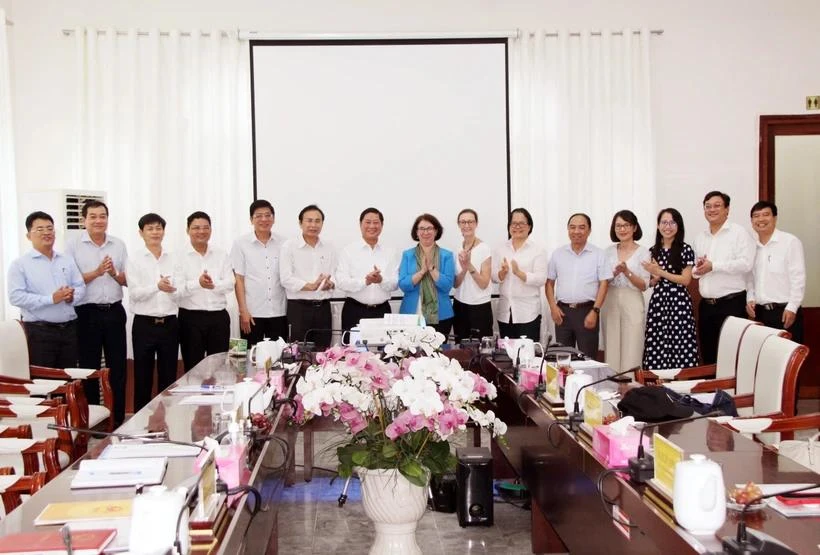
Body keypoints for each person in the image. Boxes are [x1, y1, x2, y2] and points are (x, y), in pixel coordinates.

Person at [66, 200, 128, 426]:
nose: (98, 220)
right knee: (89, 369)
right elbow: (70, 282)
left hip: (114, 311)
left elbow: (126, 280)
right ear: (84, 220)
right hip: (86, 313)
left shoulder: (118, 245)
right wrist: (97, 271)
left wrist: (112, 273)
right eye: (93, 216)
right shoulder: (73, 245)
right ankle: (91, 421)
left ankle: (118, 420)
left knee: (117, 368)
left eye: (102, 216)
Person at [8, 211, 86, 369]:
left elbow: (80, 286)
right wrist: (51, 299)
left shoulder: (66, 260)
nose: (46, 233)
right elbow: (16, 297)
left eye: (50, 228)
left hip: (69, 330)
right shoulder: (20, 264)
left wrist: (72, 297)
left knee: (68, 381)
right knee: (42, 383)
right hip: (40, 332)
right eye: (40, 229)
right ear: (28, 236)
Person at [692, 191, 755, 364]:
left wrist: (715, 266)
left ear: (727, 209)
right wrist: (698, 269)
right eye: (708, 206)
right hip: (706, 306)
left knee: (732, 357)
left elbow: (746, 264)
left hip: (731, 305)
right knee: (709, 356)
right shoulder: (700, 237)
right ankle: (713, 391)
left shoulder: (739, 233)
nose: (712, 209)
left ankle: (731, 392)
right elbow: (695, 272)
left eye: (717, 205)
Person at [126, 213, 182, 412]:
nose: (155, 232)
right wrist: (157, 287)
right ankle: (140, 426)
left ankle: (167, 422)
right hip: (144, 324)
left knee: (168, 377)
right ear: (141, 233)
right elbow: (134, 293)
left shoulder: (174, 258)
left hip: (170, 324)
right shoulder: (133, 259)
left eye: (158, 228)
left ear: (164, 231)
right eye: (150, 229)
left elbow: (180, 289)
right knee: (142, 376)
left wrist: (174, 290)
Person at [546, 213, 611, 359]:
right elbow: (549, 283)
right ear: (568, 229)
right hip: (562, 313)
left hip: (587, 312)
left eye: (582, 227)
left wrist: (595, 310)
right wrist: (553, 307)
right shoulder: (558, 254)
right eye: (572, 227)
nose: (576, 231)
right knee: (562, 359)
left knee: (588, 359)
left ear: (589, 230)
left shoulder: (598, 254)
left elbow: (604, 284)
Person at [641, 208, 699, 370]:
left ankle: (681, 387)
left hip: (679, 303)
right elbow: (651, 282)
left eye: (672, 222)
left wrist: (660, 272)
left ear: (678, 226)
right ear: (658, 226)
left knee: (681, 343)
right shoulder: (652, 251)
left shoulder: (685, 249)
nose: (668, 226)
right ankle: (660, 386)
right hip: (659, 303)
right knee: (658, 342)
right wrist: (655, 278)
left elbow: (685, 280)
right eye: (664, 222)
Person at [178, 211, 235, 371]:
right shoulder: (179, 256)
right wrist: (198, 283)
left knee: (219, 367)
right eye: (196, 228)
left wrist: (212, 285)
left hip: (218, 318)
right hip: (190, 319)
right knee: (192, 367)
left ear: (211, 229)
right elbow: (177, 289)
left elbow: (230, 283)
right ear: (187, 230)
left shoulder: (221, 253)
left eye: (205, 227)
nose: (201, 231)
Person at [745, 200, 805, 343]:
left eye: (766, 215)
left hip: (784, 312)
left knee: (787, 360)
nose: (761, 219)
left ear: (775, 218)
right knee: (764, 359)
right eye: (756, 216)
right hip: (760, 314)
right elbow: (750, 279)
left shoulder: (790, 242)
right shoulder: (752, 247)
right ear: (752, 221)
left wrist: (792, 307)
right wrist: (750, 299)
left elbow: (798, 278)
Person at [230, 200, 288, 346]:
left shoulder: (284, 243)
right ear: (251, 220)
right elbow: (239, 279)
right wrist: (243, 311)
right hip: (252, 313)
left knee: (278, 358)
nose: (264, 219)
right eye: (259, 216)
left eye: (268, 215)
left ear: (273, 218)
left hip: (279, 311)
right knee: (250, 356)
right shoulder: (240, 243)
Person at [280, 204, 337, 348]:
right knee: (298, 353)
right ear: (300, 223)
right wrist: (310, 286)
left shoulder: (329, 246)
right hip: (299, 309)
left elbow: (336, 273)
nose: (313, 225)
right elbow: (286, 278)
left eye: (318, 221)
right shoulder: (289, 246)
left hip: (323, 309)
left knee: (324, 352)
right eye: (309, 220)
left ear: (322, 224)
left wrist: (331, 284)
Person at [601, 210, 650, 375]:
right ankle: (612, 389)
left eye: (626, 225)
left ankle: (631, 389)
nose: (622, 229)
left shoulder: (643, 252)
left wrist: (627, 271)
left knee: (632, 345)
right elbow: (602, 281)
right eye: (618, 226)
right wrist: (614, 273)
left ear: (634, 227)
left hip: (632, 299)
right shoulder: (607, 252)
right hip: (610, 299)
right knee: (612, 344)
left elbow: (644, 284)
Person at [337, 207, 398, 333]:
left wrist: (381, 280)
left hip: (383, 311)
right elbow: (341, 282)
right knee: (352, 352)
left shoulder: (390, 252)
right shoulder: (348, 251)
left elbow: (395, 283)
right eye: (368, 222)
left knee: (385, 351)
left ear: (382, 225)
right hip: (354, 310)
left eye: (376, 222)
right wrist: (365, 281)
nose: (372, 226)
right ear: (360, 224)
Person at [492, 208, 547, 341]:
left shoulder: (538, 250)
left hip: (528, 313)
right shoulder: (500, 249)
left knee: (527, 355)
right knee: (505, 356)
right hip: (505, 312)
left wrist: (519, 273)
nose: (517, 227)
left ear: (529, 226)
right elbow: (493, 277)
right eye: (513, 223)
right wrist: (502, 273)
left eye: (521, 223)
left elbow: (541, 279)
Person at [398, 213, 455, 337]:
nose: (426, 232)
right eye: (422, 229)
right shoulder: (408, 255)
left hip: (441, 315)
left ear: (436, 231)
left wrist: (431, 268)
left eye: (429, 228)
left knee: (438, 354)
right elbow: (403, 284)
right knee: (410, 353)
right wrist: (422, 272)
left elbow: (447, 286)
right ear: (416, 232)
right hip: (411, 314)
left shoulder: (446, 255)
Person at [452, 209, 493, 344]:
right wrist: (464, 269)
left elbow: (484, 283)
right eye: (463, 222)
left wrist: (469, 265)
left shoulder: (484, 248)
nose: (466, 225)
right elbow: (456, 284)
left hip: (479, 307)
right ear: (458, 225)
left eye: (470, 221)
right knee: (461, 349)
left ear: (476, 224)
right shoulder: (457, 248)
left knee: (482, 351)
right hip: (460, 305)